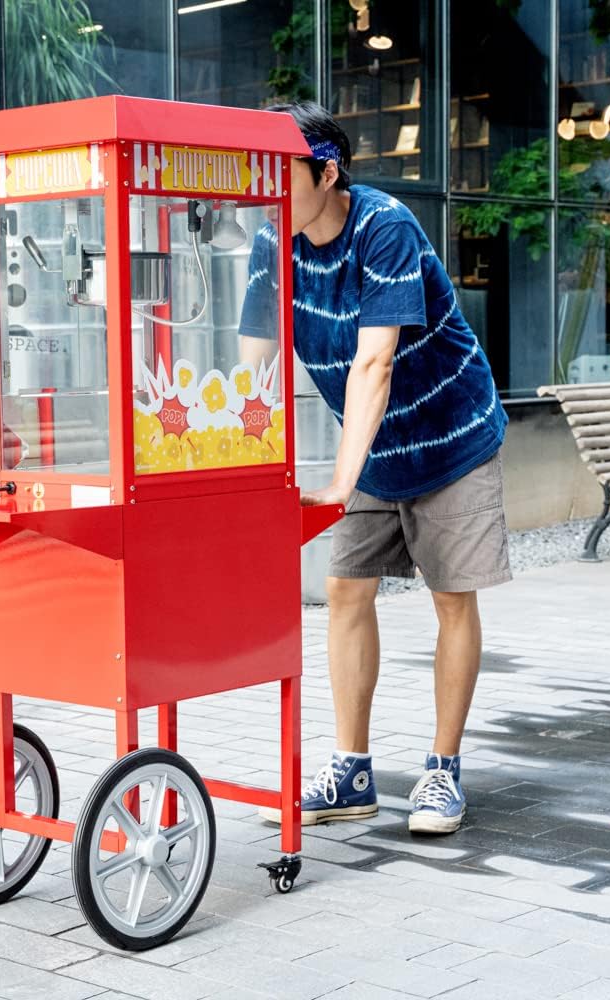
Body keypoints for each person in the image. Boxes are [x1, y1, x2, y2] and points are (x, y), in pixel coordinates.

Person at [244, 102, 511, 835]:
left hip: (449, 437)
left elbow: (375, 360)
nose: (265, 190)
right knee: (344, 589)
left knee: (451, 597)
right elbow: (250, 367)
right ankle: (351, 772)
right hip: (372, 445)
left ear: (327, 172)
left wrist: (337, 480)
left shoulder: (382, 226)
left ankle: (442, 772)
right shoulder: (274, 240)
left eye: (280, 173)